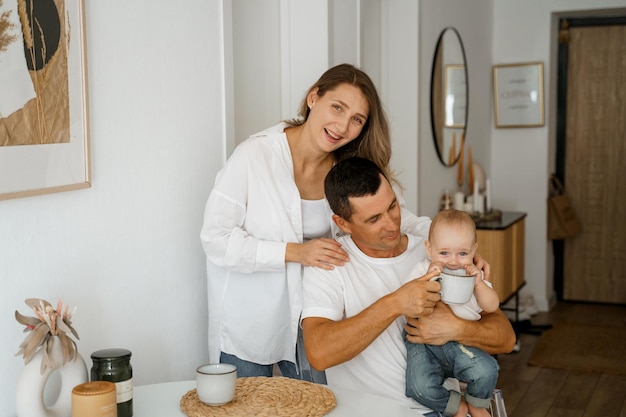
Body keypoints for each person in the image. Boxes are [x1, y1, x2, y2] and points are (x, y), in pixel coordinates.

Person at [200, 64, 435, 379]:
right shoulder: (254, 156)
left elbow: (395, 219)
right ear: (313, 98)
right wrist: (295, 252)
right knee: (245, 408)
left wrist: (451, 243)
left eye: (356, 119)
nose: (342, 126)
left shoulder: (349, 169)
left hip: (316, 315)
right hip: (250, 319)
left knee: (316, 405)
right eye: (337, 107)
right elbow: (215, 238)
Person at [301, 157, 516, 417]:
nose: (392, 224)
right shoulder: (330, 264)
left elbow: (506, 338)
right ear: (343, 224)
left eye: (392, 206)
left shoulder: (438, 253)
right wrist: (395, 304)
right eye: (374, 219)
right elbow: (319, 353)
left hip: (444, 410)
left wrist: (457, 328)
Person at [405, 209, 501, 417]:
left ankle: (476, 403)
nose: (453, 261)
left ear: (474, 250)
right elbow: (409, 304)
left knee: (488, 370)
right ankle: (455, 406)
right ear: (429, 248)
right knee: (419, 387)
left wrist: (479, 283)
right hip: (423, 343)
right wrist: (430, 277)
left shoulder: (473, 275)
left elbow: (492, 306)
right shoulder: (422, 270)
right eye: (444, 253)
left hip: (460, 343)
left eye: (463, 253)